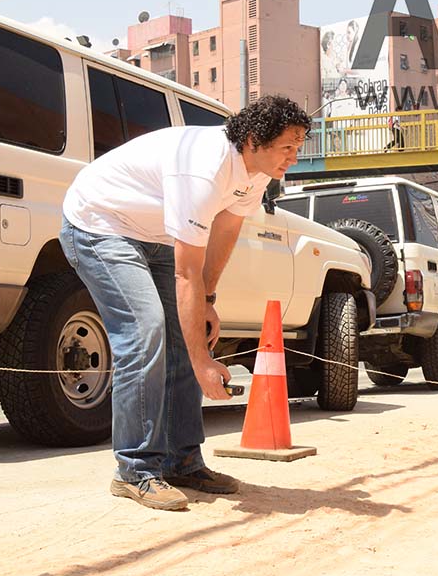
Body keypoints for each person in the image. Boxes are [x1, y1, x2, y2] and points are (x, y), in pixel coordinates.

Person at [60, 95, 311, 511]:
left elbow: (226, 229)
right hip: (99, 225)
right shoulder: (205, 166)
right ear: (253, 140)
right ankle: (135, 469)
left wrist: (208, 300)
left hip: (153, 234)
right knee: (147, 330)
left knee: (184, 330)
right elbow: (185, 273)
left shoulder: (257, 172)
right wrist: (202, 363)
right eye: (287, 146)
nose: (294, 157)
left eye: (298, 147)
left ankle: (182, 461)